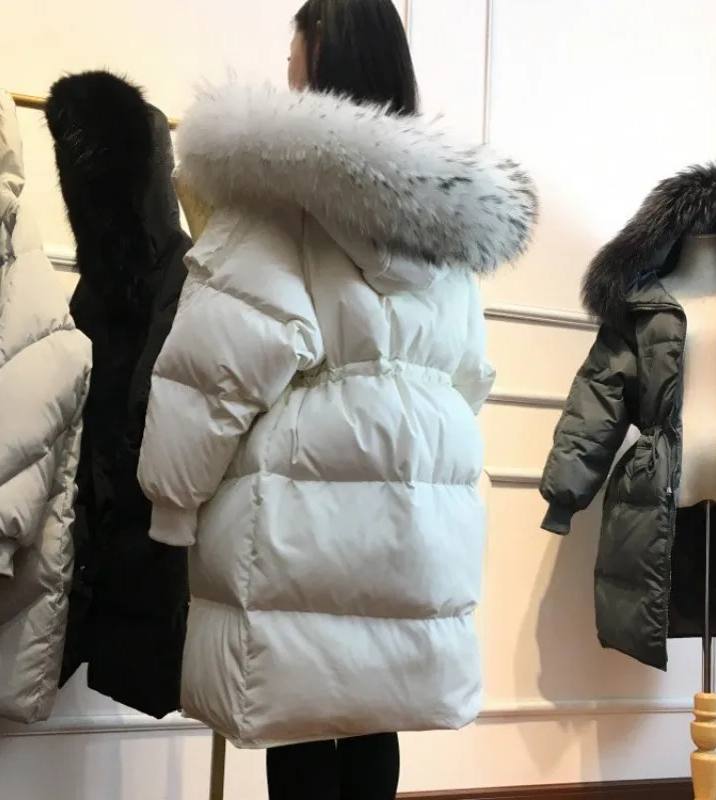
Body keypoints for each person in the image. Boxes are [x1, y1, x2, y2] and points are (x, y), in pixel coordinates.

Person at [137, 0, 538, 797]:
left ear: (321, 65)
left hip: (301, 514)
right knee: (373, 713)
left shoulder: (276, 200)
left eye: (294, 67)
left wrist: (172, 503)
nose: (287, 84)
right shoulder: (447, 230)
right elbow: (470, 378)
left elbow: (220, 361)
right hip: (414, 522)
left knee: (301, 705)